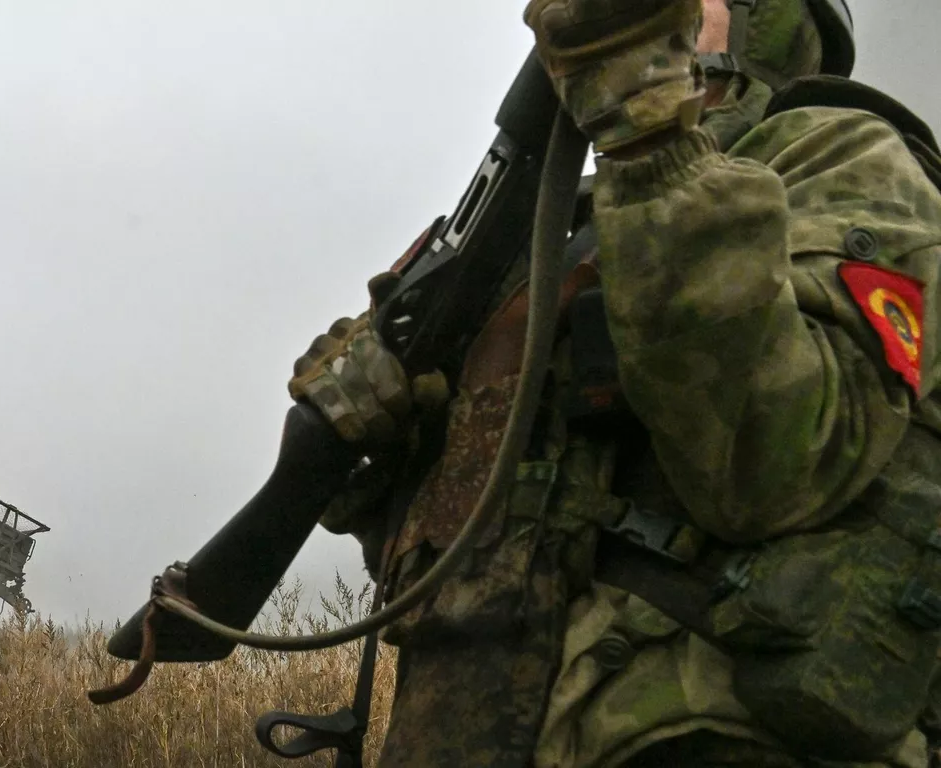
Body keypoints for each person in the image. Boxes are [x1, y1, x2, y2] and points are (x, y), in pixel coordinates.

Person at [289, 0, 941, 765]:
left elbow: (773, 460)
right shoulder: (558, 228)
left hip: (705, 732)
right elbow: (459, 545)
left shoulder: (843, 153)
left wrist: (651, 140)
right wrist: (367, 436)